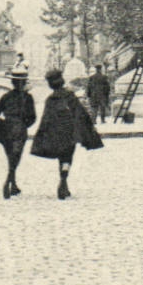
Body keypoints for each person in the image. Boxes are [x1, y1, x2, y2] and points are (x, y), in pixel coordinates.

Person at [30, 68, 103, 199]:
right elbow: (80, 114)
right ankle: (64, 181)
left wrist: (42, 135)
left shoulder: (50, 100)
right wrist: (88, 130)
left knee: (61, 157)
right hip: (70, 133)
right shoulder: (70, 96)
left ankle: (64, 182)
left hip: (56, 134)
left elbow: (46, 119)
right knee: (67, 158)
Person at [0, 66, 36, 198]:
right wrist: (24, 124)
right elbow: (32, 117)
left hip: (6, 129)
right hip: (19, 129)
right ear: (24, 82)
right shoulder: (28, 97)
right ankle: (8, 182)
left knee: (10, 156)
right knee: (16, 157)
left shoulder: (6, 97)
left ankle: (13, 184)